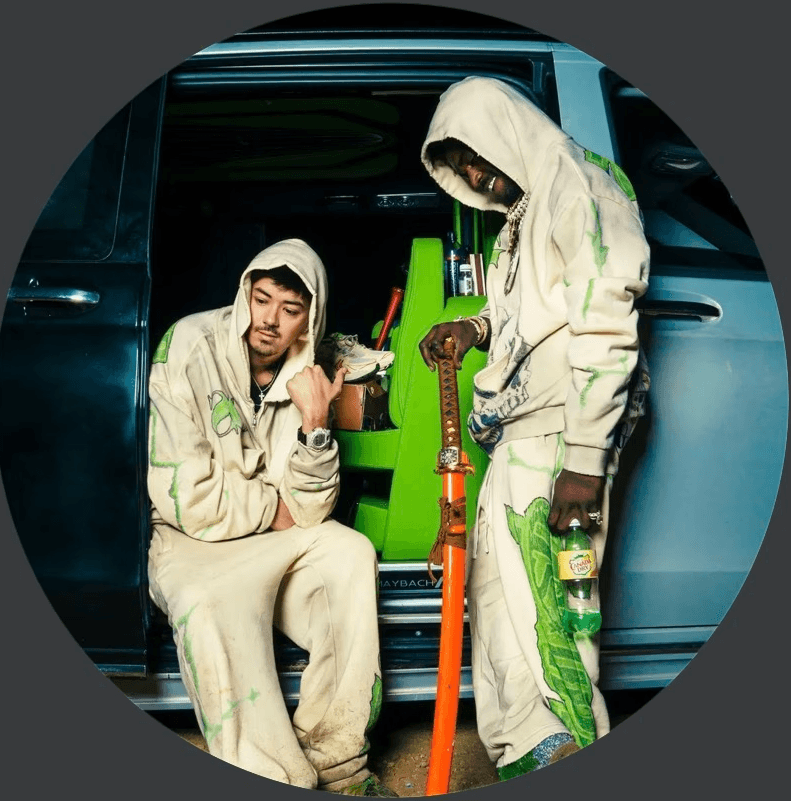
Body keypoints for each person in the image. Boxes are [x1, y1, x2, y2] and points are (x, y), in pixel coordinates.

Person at [419, 77, 650, 779]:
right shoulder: (522, 214)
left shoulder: (578, 185)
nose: (473, 176)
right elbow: (529, 312)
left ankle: (571, 748)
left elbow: (605, 322)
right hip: (515, 430)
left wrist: (582, 460)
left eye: (475, 157)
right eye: (460, 168)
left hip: (559, 432)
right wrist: (474, 326)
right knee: (499, 600)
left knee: (551, 621)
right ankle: (530, 751)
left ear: (504, 130)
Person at [147, 238, 396, 796]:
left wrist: (316, 424)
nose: (269, 320)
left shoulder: (310, 372)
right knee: (207, 604)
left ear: (310, 319)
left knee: (349, 552)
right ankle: (270, 775)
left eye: (290, 310)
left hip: (267, 534)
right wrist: (272, 507)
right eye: (261, 300)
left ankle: (338, 761)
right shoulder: (189, 344)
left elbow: (309, 510)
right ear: (244, 295)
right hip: (190, 542)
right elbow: (188, 500)